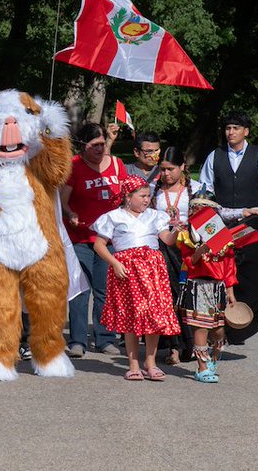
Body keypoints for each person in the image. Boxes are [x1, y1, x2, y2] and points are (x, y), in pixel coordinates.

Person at [91, 175, 181, 381]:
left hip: (152, 271)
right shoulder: (114, 217)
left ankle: (150, 362)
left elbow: (166, 240)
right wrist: (115, 263)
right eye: (141, 196)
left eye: (148, 195)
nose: (146, 199)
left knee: (154, 314)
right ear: (127, 197)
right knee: (131, 316)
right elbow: (99, 245)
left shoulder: (155, 216)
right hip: (127, 271)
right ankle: (133, 365)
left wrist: (175, 230)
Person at [60, 121, 124, 358]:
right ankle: (77, 340)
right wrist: (71, 214)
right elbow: (63, 201)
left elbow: (125, 197)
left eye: (102, 144)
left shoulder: (116, 165)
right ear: (83, 146)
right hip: (80, 238)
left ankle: (105, 338)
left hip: (108, 239)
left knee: (104, 289)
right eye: (94, 145)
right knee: (80, 290)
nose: (99, 149)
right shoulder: (74, 166)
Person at [177, 195, 240, 383]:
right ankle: (202, 368)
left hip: (218, 287)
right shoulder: (187, 234)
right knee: (201, 327)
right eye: (196, 209)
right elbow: (188, 261)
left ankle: (213, 358)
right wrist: (199, 251)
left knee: (219, 329)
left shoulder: (222, 237)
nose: (200, 213)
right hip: (198, 285)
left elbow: (229, 265)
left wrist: (230, 291)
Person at [151, 146, 196, 364]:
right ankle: (173, 347)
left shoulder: (196, 190)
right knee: (167, 298)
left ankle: (193, 344)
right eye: (162, 170)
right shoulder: (153, 191)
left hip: (188, 250)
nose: (166, 174)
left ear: (182, 167)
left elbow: (212, 213)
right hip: (162, 250)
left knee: (187, 297)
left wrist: (242, 212)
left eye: (170, 169)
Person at [198, 112, 258, 214]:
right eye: (228, 128)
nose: (231, 132)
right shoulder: (214, 156)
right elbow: (204, 187)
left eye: (235, 128)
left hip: (253, 218)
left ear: (246, 131)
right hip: (223, 220)